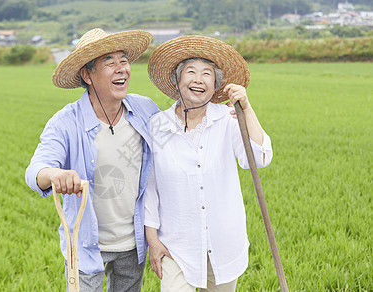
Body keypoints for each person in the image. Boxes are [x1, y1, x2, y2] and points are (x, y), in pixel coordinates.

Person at [25, 28, 159, 292]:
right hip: (85, 245)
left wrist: (220, 117)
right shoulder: (66, 122)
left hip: (133, 244)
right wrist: (54, 175)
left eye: (124, 59)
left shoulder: (145, 109)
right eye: (109, 62)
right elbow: (36, 170)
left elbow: (178, 132)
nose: (121, 68)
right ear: (87, 75)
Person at [144, 35, 273, 292]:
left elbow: (260, 158)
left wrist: (246, 109)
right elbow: (149, 189)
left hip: (224, 244)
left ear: (215, 86)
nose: (198, 79)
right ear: (176, 81)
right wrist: (152, 239)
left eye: (207, 74)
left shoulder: (228, 119)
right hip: (176, 246)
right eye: (190, 72)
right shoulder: (157, 125)